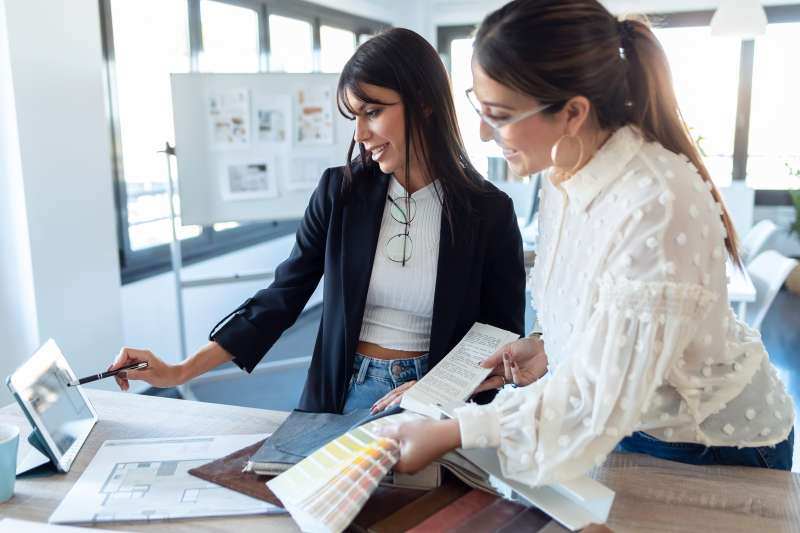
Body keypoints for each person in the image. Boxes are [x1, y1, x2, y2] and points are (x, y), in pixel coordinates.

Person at [384, 0, 795, 481]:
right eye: (479, 104)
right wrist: (546, 346)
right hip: (636, 424)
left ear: (573, 113)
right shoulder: (565, 171)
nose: (482, 132)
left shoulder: (655, 202)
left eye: (498, 114)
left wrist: (456, 430)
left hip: (710, 442)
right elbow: (599, 317)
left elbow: (599, 401)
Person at [108, 28, 526, 414]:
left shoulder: (488, 211)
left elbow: (499, 334)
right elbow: (282, 297)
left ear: (425, 104)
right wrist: (180, 370)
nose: (360, 133)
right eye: (354, 117)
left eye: (373, 112)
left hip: (436, 400)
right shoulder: (339, 193)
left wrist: (439, 391)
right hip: (341, 389)